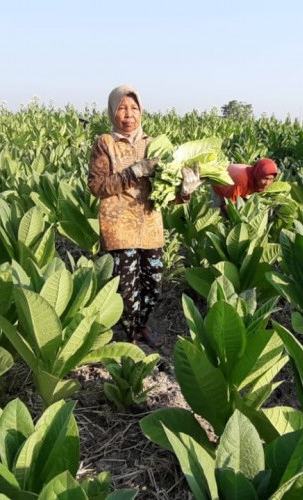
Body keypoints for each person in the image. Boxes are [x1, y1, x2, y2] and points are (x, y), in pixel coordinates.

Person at [88, 84, 202, 347]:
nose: (129, 114)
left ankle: (142, 325)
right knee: (127, 289)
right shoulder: (106, 143)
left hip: (150, 227)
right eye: (122, 108)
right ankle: (131, 334)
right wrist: (135, 171)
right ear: (112, 112)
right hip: (118, 228)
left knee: (153, 284)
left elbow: (165, 194)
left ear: (141, 111)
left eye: (134, 108)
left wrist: (185, 192)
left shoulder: (154, 145)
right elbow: (97, 186)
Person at [211, 158, 279, 214]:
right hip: (220, 185)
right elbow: (226, 205)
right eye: (265, 179)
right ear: (258, 175)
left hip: (239, 186)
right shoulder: (241, 180)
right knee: (217, 214)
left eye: (271, 179)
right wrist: (234, 222)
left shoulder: (256, 177)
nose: (267, 183)